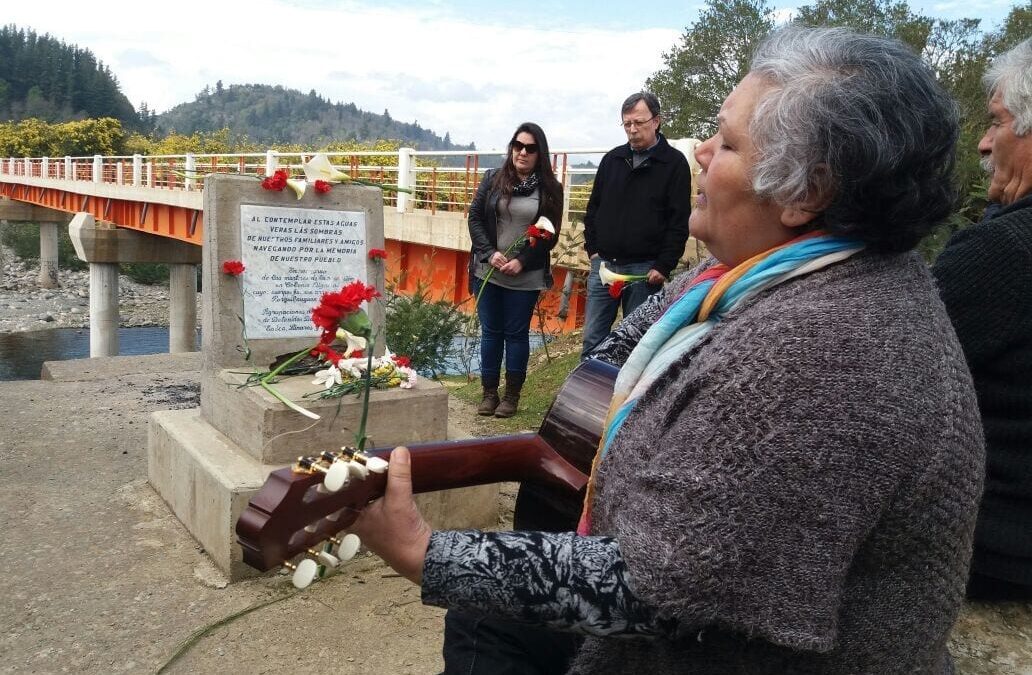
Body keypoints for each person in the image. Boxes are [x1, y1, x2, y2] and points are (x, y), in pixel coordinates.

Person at [351, 27, 985, 673]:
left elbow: (658, 584)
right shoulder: (740, 275)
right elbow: (617, 354)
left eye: (729, 141)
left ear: (806, 193)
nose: (703, 151)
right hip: (703, 620)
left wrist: (425, 550)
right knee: (487, 617)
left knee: (487, 611)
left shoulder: (822, 352)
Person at [933, 37, 1032, 601]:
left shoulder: (1004, 253)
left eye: (997, 121)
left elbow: (885, 378)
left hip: (994, 547)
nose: (983, 141)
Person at [580, 91, 692, 357]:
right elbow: (593, 208)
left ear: (656, 121)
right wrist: (593, 251)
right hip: (604, 265)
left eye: (639, 123)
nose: (632, 130)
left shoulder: (674, 165)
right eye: (627, 123)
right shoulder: (612, 160)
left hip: (645, 270)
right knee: (592, 339)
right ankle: (584, 396)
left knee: (636, 342)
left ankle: (626, 397)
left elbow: (679, 221)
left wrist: (664, 265)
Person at [467, 122, 563, 418]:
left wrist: (521, 259)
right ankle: (488, 394)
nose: (522, 152)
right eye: (518, 145)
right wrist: (489, 252)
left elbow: (549, 234)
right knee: (491, 333)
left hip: (525, 275)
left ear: (539, 153)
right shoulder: (493, 179)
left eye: (530, 148)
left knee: (516, 335)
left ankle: (511, 398)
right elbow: (474, 218)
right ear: (511, 148)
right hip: (489, 271)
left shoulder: (550, 189)